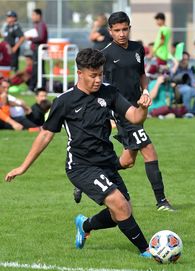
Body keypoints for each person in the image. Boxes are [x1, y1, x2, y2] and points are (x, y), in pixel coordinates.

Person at [5, 48, 152, 258]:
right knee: (119, 204)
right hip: (81, 166)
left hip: (106, 162)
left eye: (100, 74)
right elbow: (45, 135)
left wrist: (143, 106)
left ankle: (85, 225)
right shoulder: (65, 101)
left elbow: (136, 117)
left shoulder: (109, 92)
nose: (98, 80)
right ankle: (148, 250)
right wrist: (23, 166)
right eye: (93, 75)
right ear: (80, 73)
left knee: (122, 211)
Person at [99, 11, 174, 211]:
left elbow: (142, 74)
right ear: (110, 31)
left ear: (129, 28)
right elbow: (97, 85)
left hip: (137, 110)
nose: (122, 33)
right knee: (149, 151)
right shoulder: (105, 54)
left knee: (128, 160)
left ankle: (97, 172)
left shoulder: (137, 48)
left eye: (125, 29)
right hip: (122, 112)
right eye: (117, 30)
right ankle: (162, 201)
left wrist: (146, 91)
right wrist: (107, 112)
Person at [172, 51, 195, 116]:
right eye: (182, 59)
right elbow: (171, 75)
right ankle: (187, 111)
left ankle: (194, 112)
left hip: (189, 88)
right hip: (178, 89)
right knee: (188, 90)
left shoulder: (189, 70)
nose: (184, 61)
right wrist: (176, 64)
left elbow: (193, 81)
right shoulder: (176, 68)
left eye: (186, 59)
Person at [27, 9, 48, 91]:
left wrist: (31, 38)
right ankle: (39, 87)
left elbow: (41, 37)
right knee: (38, 68)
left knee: (38, 69)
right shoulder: (37, 25)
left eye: (33, 15)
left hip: (39, 50)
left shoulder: (41, 25)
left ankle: (34, 87)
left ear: (38, 16)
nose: (32, 17)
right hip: (36, 50)